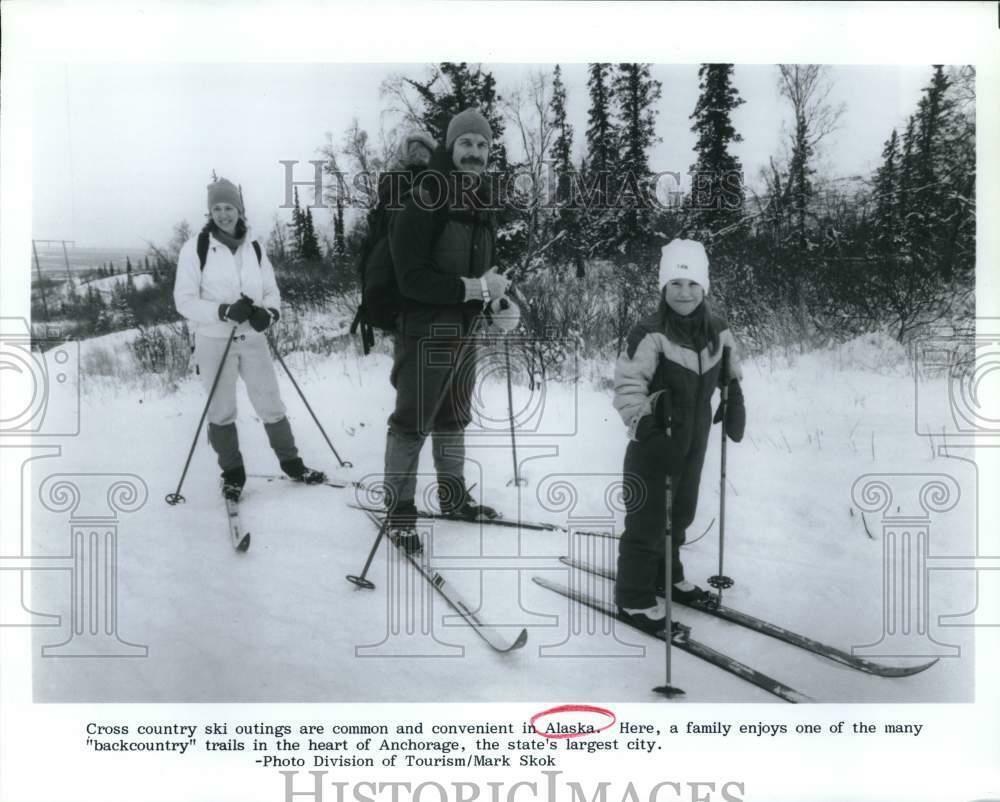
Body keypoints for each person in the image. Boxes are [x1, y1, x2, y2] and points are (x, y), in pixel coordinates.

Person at [382, 108, 510, 553]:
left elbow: (482, 271)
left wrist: (496, 302)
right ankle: (398, 512)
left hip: (466, 330)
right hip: (425, 331)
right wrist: (476, 287)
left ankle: (453, 497)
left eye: (482, 146)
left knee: (454, 415)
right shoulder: (424, 198)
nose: (474, 153)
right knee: (411, 421)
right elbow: (411, 278)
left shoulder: (482, 201)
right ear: (450, 147)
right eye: (466, 144)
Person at [612, 239, 746, 634]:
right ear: (662, 289)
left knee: (681, 512)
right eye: (675, 284)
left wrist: (734, 396)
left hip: (695, 436)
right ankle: (633, 597)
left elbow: (730, 367)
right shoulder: (649, 333)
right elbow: (628, 387)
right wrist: (647, 432)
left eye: (691, 284)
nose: (683, 293)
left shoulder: (718, 329)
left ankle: (666, 575)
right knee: (648, 519)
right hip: (655, 439)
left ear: (704, 287)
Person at [173, 177, 326, 501]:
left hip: (253, 338)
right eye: (217, 208)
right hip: (214, 341)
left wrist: (268, 313)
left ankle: (293, 464)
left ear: (240, 210)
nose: (223, 214)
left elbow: (271, 291)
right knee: (221, 410)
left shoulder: (254, 246)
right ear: (209, 212)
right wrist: (224, 310)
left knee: (271, 404)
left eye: (229, 207)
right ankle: (232, 475)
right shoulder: (196, 248)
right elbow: (184, 301)